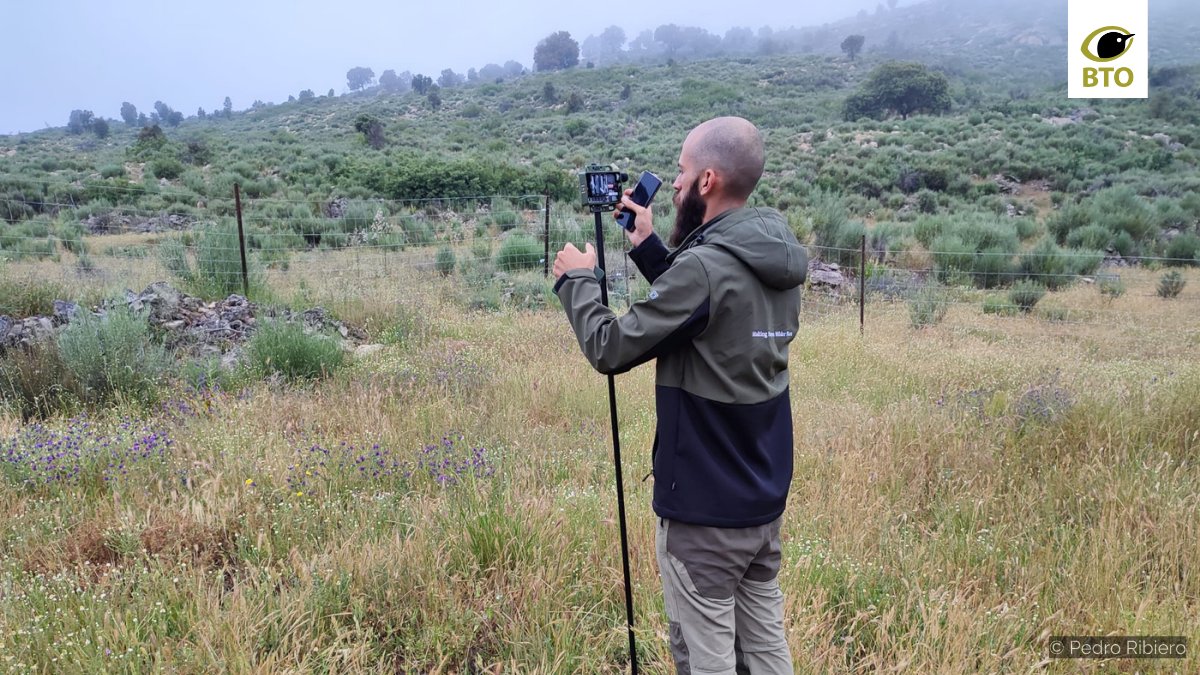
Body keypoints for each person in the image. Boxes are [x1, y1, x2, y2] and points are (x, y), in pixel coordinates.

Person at [552, 116, 807, 674]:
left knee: (704, 658)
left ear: (708, 180)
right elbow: (704, 309)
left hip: (703, 514)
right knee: (765, 649)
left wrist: (576, 283)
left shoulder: (706, 268)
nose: (673, 184)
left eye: (682, 172)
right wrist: (646, 246)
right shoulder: (774, 262)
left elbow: (611, 348)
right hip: (760, 503)